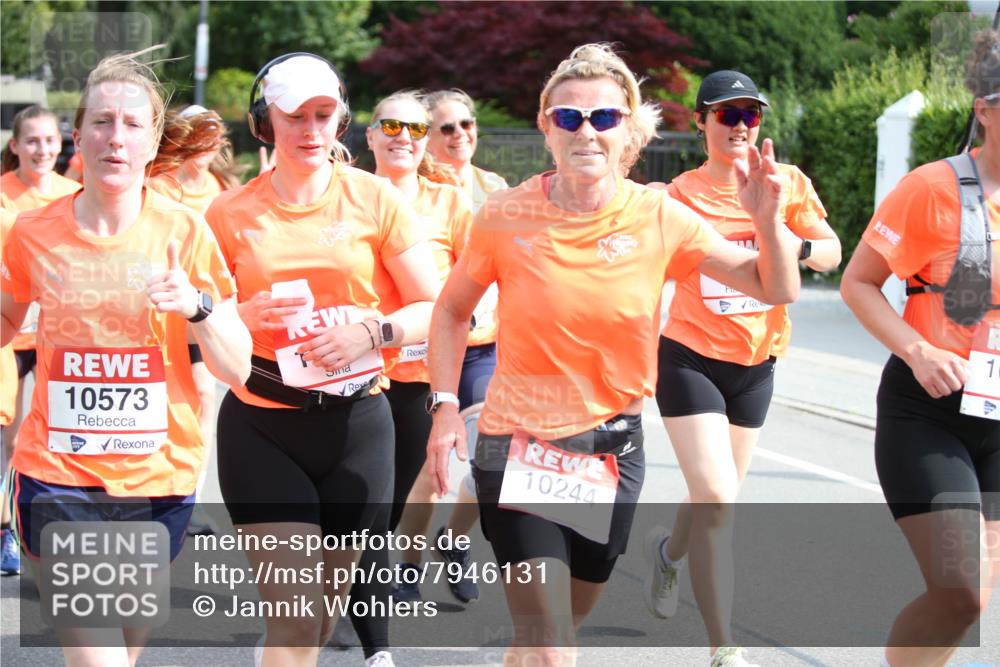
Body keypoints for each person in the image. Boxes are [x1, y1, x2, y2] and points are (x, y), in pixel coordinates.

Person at [426, 43, 801, 667]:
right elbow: (449, 310)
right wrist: (443, 407)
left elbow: (774, 286)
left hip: (610, 452)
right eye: (569, 118)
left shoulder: (658, 215)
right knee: (550, 644)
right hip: (516, 445)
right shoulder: (503, 214)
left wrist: (768, 223)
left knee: (557, 631)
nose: (587, 132)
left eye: (603, 118)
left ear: (628, 128)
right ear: (547, 126)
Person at [0, 47, 251, 667]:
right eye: (103, 122)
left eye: (133, 125)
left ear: (153, 140)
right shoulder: (32, 232)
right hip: (58, 475)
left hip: (160, 475)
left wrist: (197, 306)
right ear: (77, 135)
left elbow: (237, 367)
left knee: (127, 645)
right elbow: (6, 319)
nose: (116, 138)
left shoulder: (184, 232)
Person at [206, 53, 438, 667]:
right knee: (296, 615)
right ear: (264, 123)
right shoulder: (228, 214)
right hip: (263, 422)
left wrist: (374, 332)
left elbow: (433, 307)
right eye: (294, 117)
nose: (311, 130)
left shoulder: (375, 198)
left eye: (323, 114)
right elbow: (195, 328)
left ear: (341, 119)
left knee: (321, 615)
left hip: (359, 425)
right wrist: (235, 316)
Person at [642, 70, 842, 667]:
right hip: (690, 357)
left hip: (757, 361)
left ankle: (669, 554)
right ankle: (723, 645)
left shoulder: (788, 182)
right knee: (720, 499)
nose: (739, 125)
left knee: (714, 497)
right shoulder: (677, 195)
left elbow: (831, 254)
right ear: (700, 122)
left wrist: (778, 231)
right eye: (726, 114)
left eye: (750, 114)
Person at [840, 30, 1000, 667]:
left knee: (975, 601)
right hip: (929, 414)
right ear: (984, 108)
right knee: (959, 590)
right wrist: (916, 349)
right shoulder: (931, 188)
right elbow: (858, 283)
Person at [391, 89, 505, 604]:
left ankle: (453, 540)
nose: (460, 135)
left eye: (467, 123)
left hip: (482, 345)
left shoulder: (496, 189)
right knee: (428, 473)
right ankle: (409, 562)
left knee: (494, 458)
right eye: (446, 128)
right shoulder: (408, 195)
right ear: (425, 139)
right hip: (425, 349)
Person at [149, 104, 242, 536]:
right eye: (199, 134)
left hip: (209, 311)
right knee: (169, 405)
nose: (208, 143)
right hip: (166, 314)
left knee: (206, 397)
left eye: (214, 134)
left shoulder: (225, 186)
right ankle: (152, 490)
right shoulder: (159, 186)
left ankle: (188, 497)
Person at [0, 106, 84, 577]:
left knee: (61, 436)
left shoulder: (75, 196)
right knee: (10, 441)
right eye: (32, 141)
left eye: (50, 141)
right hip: (10, 333)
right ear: (15, 146)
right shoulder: (3, 196)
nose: (42, 150)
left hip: (59, 332)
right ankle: (6, 529)